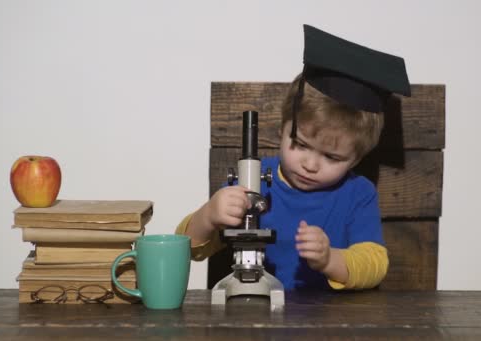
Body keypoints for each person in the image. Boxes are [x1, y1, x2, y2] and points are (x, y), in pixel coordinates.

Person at [176, 25, 411, 290]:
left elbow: (375, 264)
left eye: (332, 157)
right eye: (299, 144)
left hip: (330, 324)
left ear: (356, 159)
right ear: (281, 129)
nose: (309, 165)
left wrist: (330, 259)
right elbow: (188, 249)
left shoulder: (358, 194)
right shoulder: (253, 182)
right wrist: (208, 216)